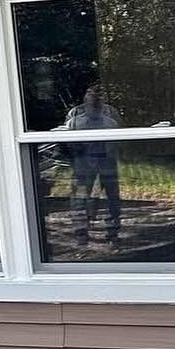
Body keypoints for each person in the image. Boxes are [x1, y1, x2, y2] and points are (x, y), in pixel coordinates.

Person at [61, 82, 123, 244]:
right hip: (83, 161)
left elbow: (120, 137)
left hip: (107, 160)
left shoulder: (111, 114)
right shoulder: (75, 115)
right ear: (85, 96)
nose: (94, 97)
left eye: (98, 94)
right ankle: (81, 231)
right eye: (90, 93)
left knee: (112, 197)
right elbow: (67, 141)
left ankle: (112, 231)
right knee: (80, 196)